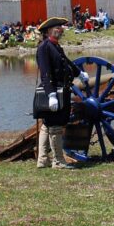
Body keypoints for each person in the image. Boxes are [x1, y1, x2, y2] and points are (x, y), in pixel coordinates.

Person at [33, 17, 87, 169]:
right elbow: (45, 73)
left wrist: (79, 73)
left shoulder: (55, 46)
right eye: (58, 27)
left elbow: (66, 62)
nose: (61, 30)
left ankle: (43, 159)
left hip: (60, 90)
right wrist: (51, 95)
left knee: (46, 125)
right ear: (49, 30)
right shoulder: (44, 47)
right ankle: (58, 161)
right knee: (55, 126)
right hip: (53, 91)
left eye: (61, 28)